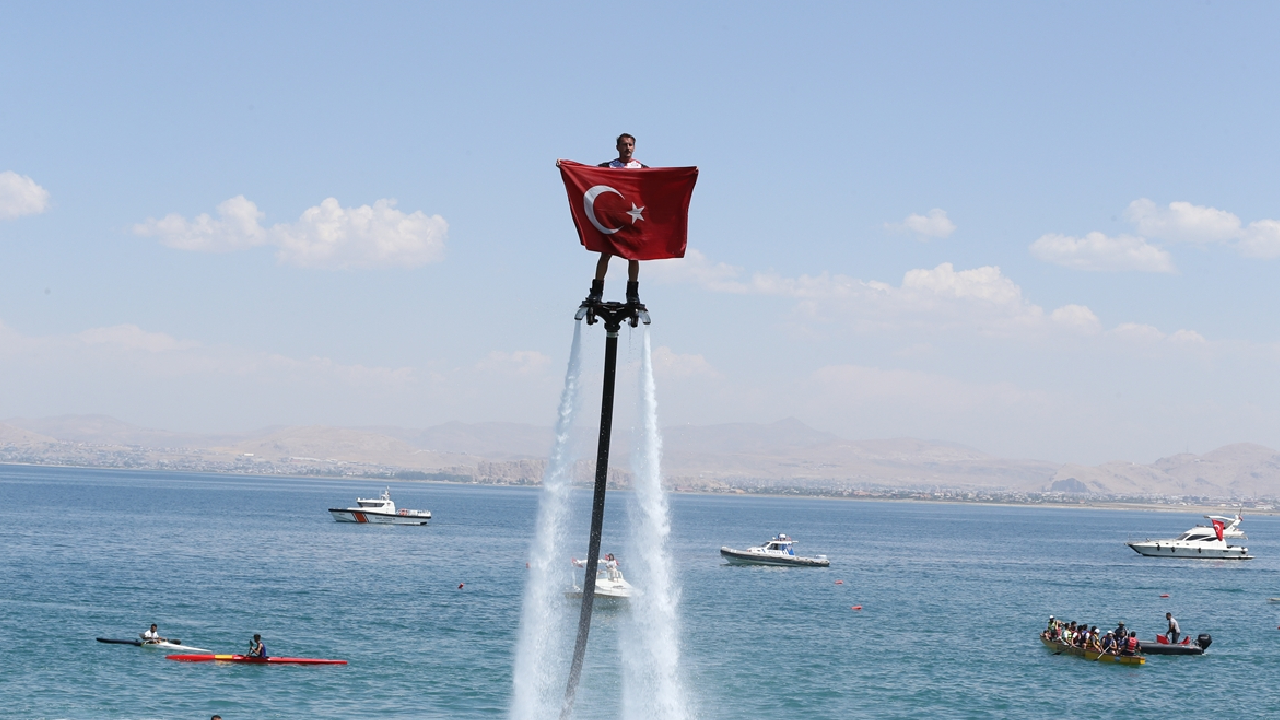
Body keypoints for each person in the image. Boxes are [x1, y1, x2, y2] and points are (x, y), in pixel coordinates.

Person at [583, 133, 649, 309]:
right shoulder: (607, 167)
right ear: (617, 147)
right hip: (612, 219)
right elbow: (586, 175)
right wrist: (566, 166)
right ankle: (596, 291)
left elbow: (658, 183)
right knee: (605, 254)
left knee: (633, 256)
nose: (627, 148)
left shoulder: (642, 168)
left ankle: (632, 294)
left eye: (630, 145)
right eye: (624, 144)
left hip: (633, 218)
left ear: (634, 147)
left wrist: (688, 174)